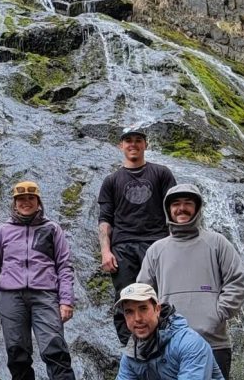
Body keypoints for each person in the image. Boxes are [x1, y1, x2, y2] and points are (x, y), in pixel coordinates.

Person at [138, 184, 244, 379]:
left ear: (197, 208)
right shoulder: (156, 250)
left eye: (188, 203)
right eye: (176, 204)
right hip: (168, 347)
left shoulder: (217, 243)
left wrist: (218, 314)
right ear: (168, 210)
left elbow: (236, 281)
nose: (181, 208)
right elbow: (142, 294)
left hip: (213, 343)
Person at [0, 181, 76, 380]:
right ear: (14, 203)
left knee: (55, 350)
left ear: (38, 201)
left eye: (30, 198)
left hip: (45, 295)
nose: (26, 202)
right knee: (17, 354)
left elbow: (64, 266)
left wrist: (66, 300)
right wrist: (1, 296)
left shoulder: (52, 229)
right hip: (11, 298)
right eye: (21, 199)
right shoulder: (2, 231)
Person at [97, 127, 177, 345]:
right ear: (121, 145)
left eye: (138, 140)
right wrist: (105, 251)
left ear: (145, 145)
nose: (133, 144)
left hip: (158, 245)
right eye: (128, 140)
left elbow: (174, 211)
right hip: (123, 248)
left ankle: (164, 349)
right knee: (125, 299)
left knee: (160, 299)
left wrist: (176, 246)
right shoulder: (111, 180)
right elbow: (105, 220)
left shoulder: (162, 174)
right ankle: (131, 350)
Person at [115, 283, 224, 380]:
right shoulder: (131, 353)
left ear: (157, 309)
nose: (137, 318)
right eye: (129, 312)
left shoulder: (190, 344)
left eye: (143, 308)